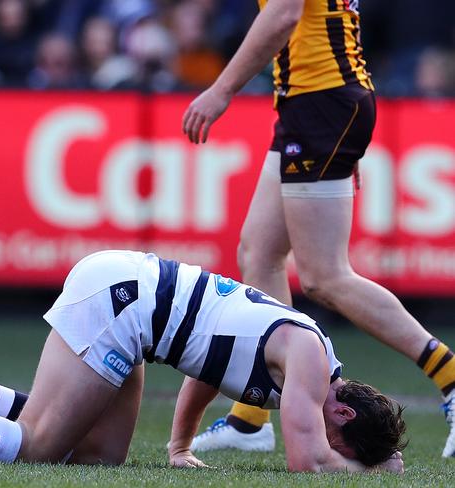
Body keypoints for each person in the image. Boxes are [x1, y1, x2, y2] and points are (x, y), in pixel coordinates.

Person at [0, 250, 406, 473]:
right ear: (346, 418)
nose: (332, 444)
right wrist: (370, 471)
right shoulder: (308, 358)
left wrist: (178, 446)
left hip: (134, 305)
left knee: (99, 454)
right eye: (343, 444)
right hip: (124, 302)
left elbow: (208, 372)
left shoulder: (306, 358)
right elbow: (307, 461)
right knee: (41, 444)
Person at [180, 0, 455, 458]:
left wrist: (221, 89)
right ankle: (251, 421)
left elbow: (284, 14)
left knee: (324, 276)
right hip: (316, 103)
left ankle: (450, 378)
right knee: (259, 253)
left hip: (322, 103)